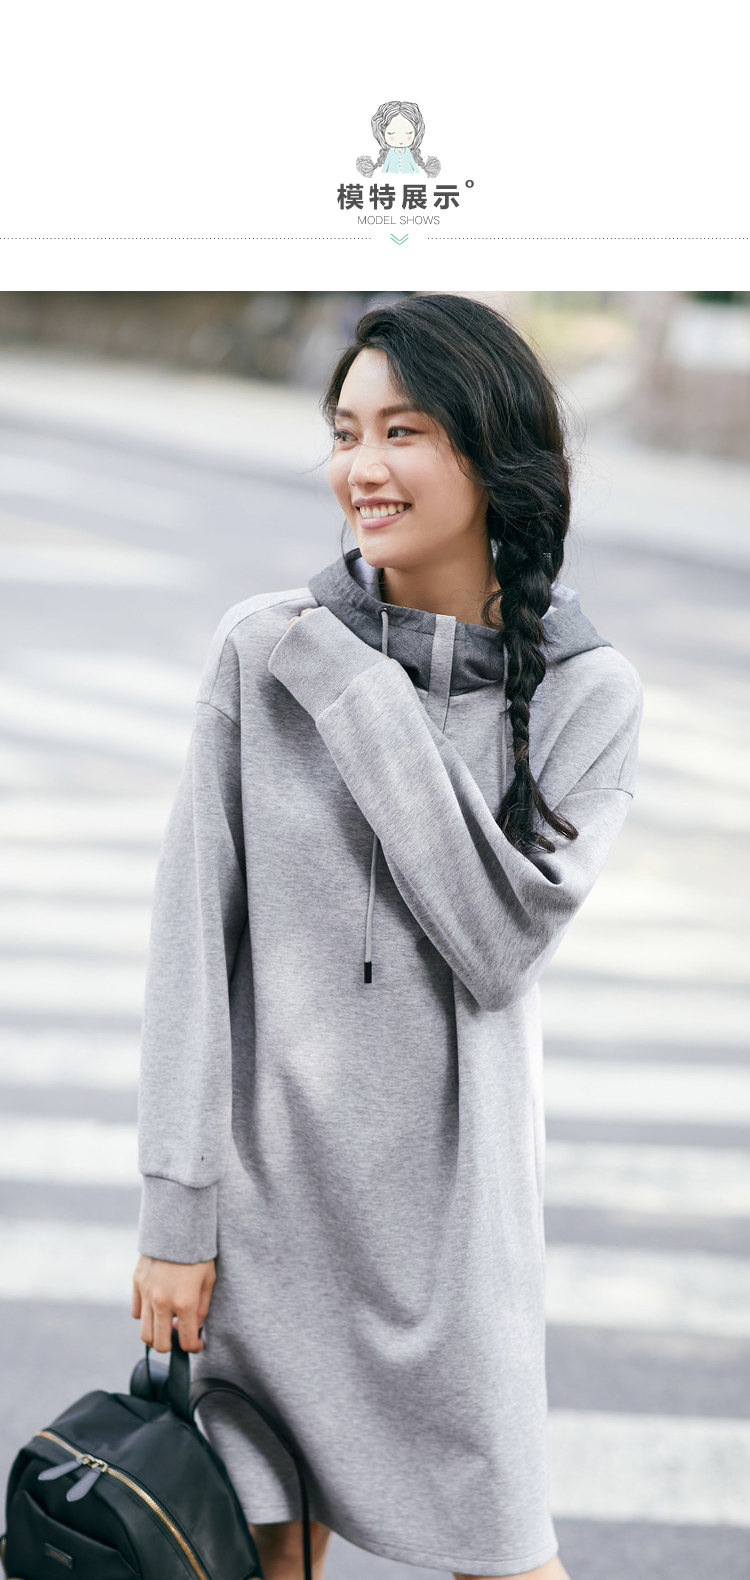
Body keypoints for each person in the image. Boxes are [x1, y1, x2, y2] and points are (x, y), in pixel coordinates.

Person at [132, 293, 643, 1580]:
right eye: (346, 431)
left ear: (491, 451)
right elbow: (190, 945)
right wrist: (176, 1215)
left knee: (505, 1557)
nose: (362, 464)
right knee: (261, 1558)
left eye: (402, 430)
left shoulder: (586, 694)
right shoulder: (262, 653)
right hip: (268, 1219)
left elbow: (496, 941)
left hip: (454, 1238)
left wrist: (364, 694)